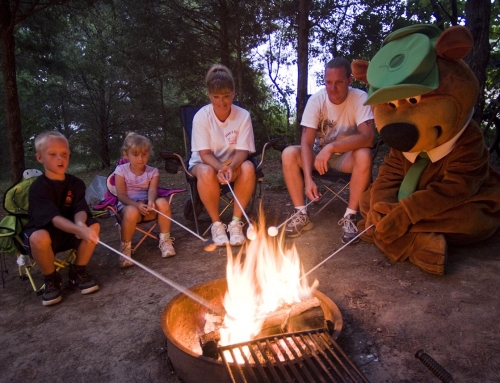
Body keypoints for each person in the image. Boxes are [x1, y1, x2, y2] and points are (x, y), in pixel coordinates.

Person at [281, 57, 375, 243]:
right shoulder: (317, 100)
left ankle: (350, 216)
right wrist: (308, 179)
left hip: (347, 158)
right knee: (289, 153)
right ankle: (301, 213)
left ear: (349, 80)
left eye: (339, 82)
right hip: (319, 157)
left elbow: (368, 137)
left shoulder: (360, 98)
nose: (333, 88)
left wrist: (332, 147)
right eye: (328, 83)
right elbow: (306, 143)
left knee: (364, 154)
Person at [22, 131, 100, 306]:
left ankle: (77, 272)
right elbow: (54, 219)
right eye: (52, 154)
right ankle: (51, 278)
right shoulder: (38, 188)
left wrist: (81, 224)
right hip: (46, 233)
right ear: (39, 158)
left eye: (64, 154)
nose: (60, 159)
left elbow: (80, 208)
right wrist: (78, 229)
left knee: (92, 226)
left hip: (70, 232)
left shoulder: (76, 183)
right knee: (38, 237)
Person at [189, 63, 256, 247]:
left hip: (233, 161)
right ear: (209, 95)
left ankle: (235, 222)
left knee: (249, 167)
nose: (221, 102)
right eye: (216, 97)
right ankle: (217, 224)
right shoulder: (201, 117)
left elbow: (243, 150)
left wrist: (232, 166)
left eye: (226, 96)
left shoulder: (243, 116)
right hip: (205, 162)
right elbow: (204, 153)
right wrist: (220, 169)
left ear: (233, 93)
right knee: (206, 173)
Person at [114, 132, 175, 267]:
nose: (140, 159)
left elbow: (152, 190)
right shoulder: (120, 171)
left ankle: (165, 240)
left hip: (147, 207)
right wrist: (136, 205)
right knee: (131, 211)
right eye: (135, 155)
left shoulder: (152, 172)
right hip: (128, 207)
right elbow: (121, 195)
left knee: (163, 202)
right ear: (126, 155)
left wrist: (151, 202)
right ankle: (125, 248)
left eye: (144, 154)